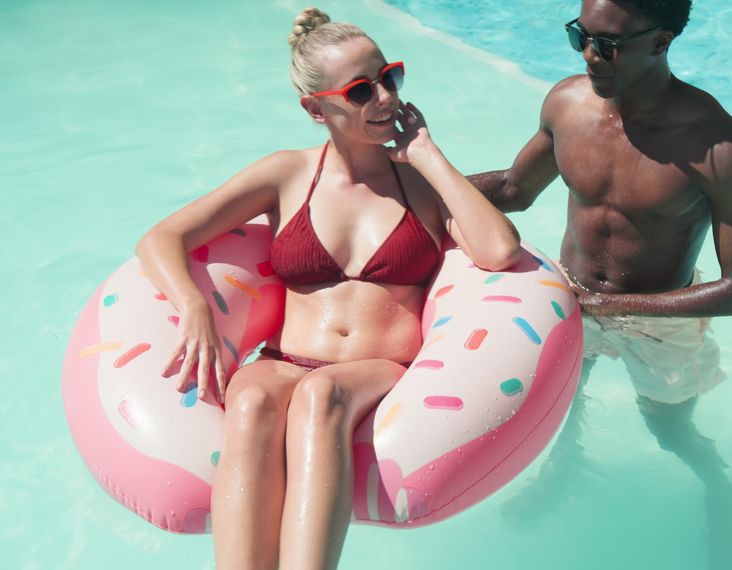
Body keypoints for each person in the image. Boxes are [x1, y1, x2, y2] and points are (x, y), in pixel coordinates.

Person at [135, 7, 521, 569]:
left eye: (390, 78)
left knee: (321, 397)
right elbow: (162, 237)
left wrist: (429, 156)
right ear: (316, 109)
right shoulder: (286, 174)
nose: (384, 99)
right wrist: (194, 307)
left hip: (373, 370)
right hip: (284, 359)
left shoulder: (418, 184)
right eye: (361, 91)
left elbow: (499, 250)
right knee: (252, 396)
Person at [468, 0, 732, 567]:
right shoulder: (567, 103)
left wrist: (610, 304)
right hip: (571, 296)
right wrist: (411, 177)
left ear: (661, 41)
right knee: (562, 401)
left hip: (660, 316)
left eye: (609, 44)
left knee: (669, 430)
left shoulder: (717, 148)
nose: (589, 56)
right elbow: (515, 189)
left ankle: (720, 492)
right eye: (580, 36)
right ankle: (563, 470)